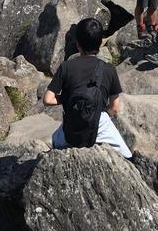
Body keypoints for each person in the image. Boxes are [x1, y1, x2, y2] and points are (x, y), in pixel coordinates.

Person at [43, 18, 132, 158]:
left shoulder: (66, 67)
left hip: (71, 125)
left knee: (55, 142)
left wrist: (66, 99)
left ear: (78, 45)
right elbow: (114, 108)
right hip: (100, 124)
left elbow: (48, 99)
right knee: (127, 156)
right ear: (100, 42)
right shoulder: (109, 69)